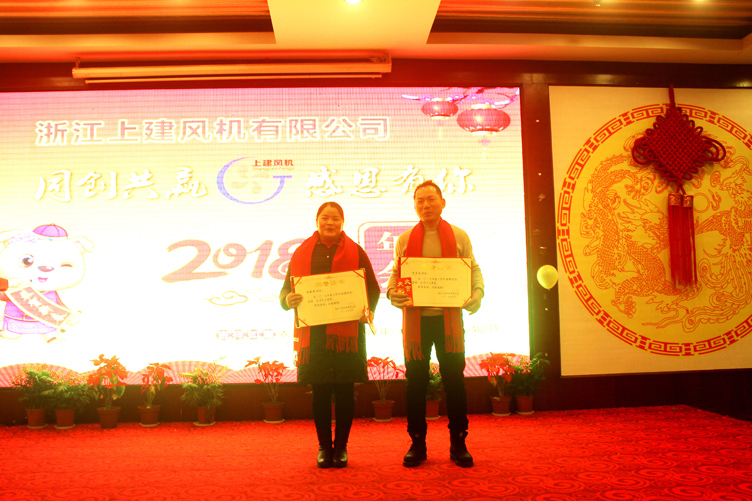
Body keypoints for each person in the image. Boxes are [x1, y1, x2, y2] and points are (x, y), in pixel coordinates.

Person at [387, 180, 484, 468]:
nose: (425, 205)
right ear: (415, 206)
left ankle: (459, 442)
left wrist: (478, 293)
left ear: (443, 203)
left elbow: (473, 268)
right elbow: (396, 275)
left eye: (431, 199)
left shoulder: (459, 236)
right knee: (415, 384)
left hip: (448, 322)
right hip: (417, 324)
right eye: (420, 201)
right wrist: (392, 293)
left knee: (454, 382)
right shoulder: (405, 239)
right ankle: (417, 443)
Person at [280, 201, 380, 469]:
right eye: (325, 218)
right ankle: (324, 447)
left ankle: (342, 447)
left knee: (345, 391)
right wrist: (288, 300)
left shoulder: (356, 252)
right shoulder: (301, 253)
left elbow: (372, 289)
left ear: (342, 223)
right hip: (314, 334)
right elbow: (285, 292)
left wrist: (367, 311)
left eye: (336, 218)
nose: (330, 222)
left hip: (348, 334)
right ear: (317, 221)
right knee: (321, 391)